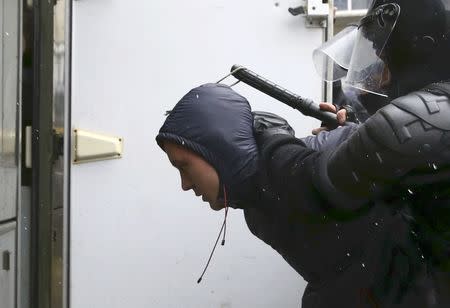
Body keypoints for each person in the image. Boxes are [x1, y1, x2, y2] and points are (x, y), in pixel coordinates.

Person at [156, 0, 450, 306]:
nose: (382, 79)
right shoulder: (257, 214)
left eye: (386, 64)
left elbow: (312, 183)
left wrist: (274, 136)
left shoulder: (426, 115)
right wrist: (358, 131)